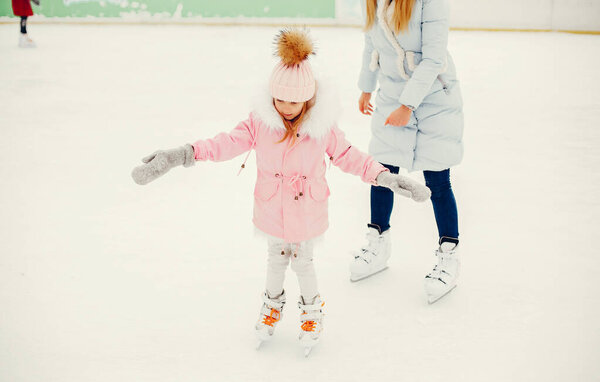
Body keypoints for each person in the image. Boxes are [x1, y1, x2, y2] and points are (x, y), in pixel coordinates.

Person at [131, 29, 431, 355]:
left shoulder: (321, 129)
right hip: (272, 207)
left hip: (306, 210)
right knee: (275, 258)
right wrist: (183, 153)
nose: (286, 107)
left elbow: (349, 156)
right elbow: (225, 143)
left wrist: (383, 176)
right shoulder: (260, 123)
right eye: (280, 99)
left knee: (303, 261)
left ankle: (312, 312)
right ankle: (271, 307)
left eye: (294, 101)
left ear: (308, 99)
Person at [350, 0, 464, 304]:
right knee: (382, 174)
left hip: (434, 97)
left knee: (438, 180)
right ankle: (378, 241)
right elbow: (370, 44)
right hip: (391, 93)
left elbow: (433, 58)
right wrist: (365, 86)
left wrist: (408, 104)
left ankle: (448, 256)